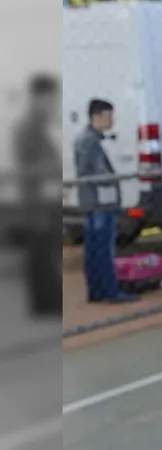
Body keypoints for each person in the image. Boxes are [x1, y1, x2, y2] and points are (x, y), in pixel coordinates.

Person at [73, 99, 137, 303]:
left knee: (95, 248)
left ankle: (98, 291)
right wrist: (115, 178)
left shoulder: (88, 140)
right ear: (97, 117)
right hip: (99, 202)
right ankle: (109, 291)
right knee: (102, 248)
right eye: (109, 117)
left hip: (94, 201)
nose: (112, 121)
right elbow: (92, 172)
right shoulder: (90, 141)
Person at [14, 74, 63, 315]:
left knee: (48, 252)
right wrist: (51, 168)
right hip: (37, 202)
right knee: (40, 253)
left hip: (49, 199)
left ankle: (48, 301)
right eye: (49, 98)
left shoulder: (46, 126)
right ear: (37, 98)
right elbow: (25, 167)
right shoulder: (27, 129)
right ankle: (43, 304)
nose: (53, 103)